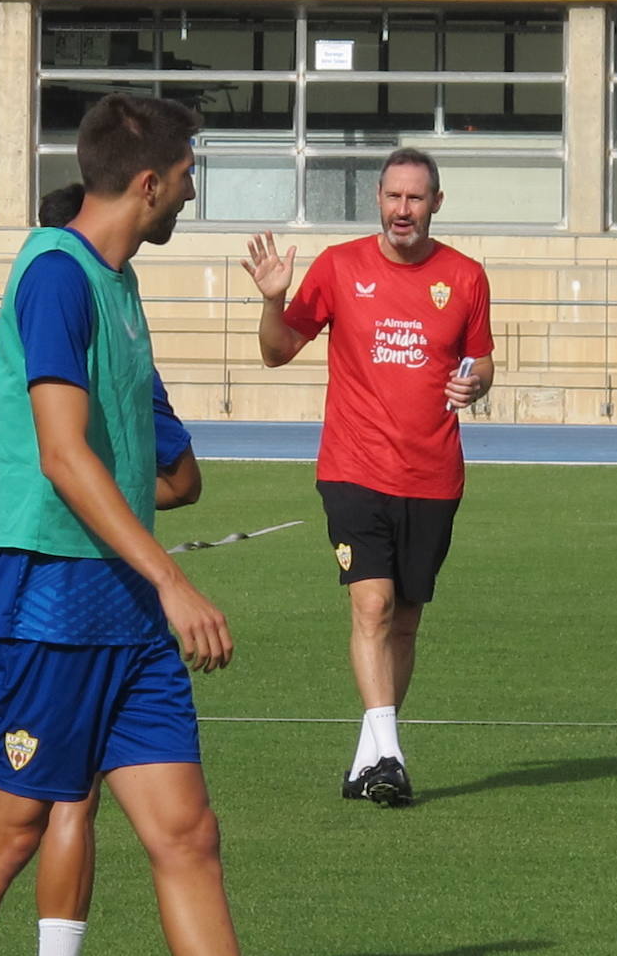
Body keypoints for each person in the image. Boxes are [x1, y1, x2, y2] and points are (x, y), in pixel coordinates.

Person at [0, 93, 238, 956]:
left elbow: (149, 468)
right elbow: (61, 454)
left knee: (186, 834)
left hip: (123, 609)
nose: (191, 192)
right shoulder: (55, 273)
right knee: (5, 834)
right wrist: (173, 579)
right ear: (148, 184)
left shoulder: (117, 281)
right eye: (185, 175)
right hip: (45, 605)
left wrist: (149, 581)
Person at [242, 147, 494, 806]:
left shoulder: (465, 277)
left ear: (437, 203)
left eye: (415, 198)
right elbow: (276, 352)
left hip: (434, 473)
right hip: (354, 467)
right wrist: (275, 302)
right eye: (392, 196)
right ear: (376, 199)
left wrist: (476, 382)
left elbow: (483, 358)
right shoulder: (339, 267)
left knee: (404, 619)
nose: (402, 209)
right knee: (372, 603)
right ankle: (391, 759)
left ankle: (369, 756)